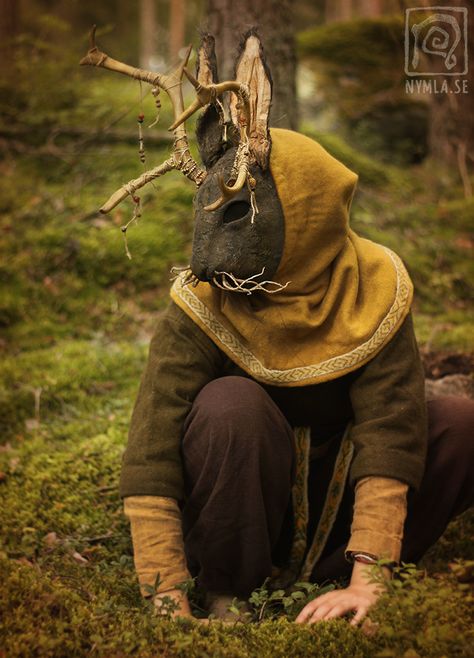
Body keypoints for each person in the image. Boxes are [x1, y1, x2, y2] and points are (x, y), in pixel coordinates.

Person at [118, 127, 473, 624]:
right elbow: (151, 450)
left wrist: (371, 578)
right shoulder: (204, 297)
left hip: (341, 503)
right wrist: (164, 590)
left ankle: (345, 586)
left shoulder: (373, 285)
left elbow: (390, 437)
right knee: (231, 405)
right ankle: (232, 593)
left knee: (459, 422)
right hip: (240, 501)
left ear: (310, 219)